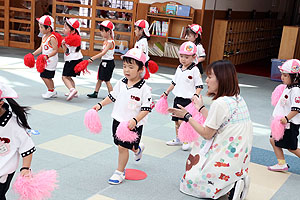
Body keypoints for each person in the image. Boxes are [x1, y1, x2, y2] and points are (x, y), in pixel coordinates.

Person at [168, 60, 253, 200]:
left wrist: (187, 116)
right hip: (239, 153)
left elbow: (207, 134)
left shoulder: (220, 103)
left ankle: (230, 188)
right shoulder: (237, 98)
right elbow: (218, 123)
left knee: (189, 182)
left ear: (221, 79)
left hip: (225, 151)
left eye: (210, 77)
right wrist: (201, 109)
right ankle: (236, 180)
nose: (206, 80)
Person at [92, 48, 152, 184]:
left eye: (131, 67)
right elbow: (112, 96)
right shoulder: (121, 83)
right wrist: (100, 105)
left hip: (133, 124)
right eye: (125, 66)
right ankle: (138, 149)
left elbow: (146, 109)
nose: (126, 70)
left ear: (141, 69)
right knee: (120, 144)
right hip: (118, 120)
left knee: (122, 147)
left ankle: (119, 172)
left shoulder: (144, 89)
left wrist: (135, 120)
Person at [162, 41, 203, 151]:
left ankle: (186, 140)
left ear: (194, 57)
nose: (183, 59)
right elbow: (174, 82)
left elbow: (199, 85)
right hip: (177, 99)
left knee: (183, 122)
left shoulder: (194, 70)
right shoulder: (179, 68)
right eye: (181, 56)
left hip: (188, 101)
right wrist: (166, 92)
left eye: (187, 57)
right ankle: (178, 139)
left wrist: (195, 95)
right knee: (176, 121)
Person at [0, 83, 35, 199]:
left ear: (1, 103)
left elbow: (27, 147)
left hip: (3, 172)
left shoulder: (14, 125)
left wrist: (25, 168)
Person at [268, 59, 300, 171]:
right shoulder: (288, 87)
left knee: (292, 148)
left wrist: (287, 118)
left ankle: (281, 164)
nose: (282, 77)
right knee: (273, 140)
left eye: (285, 75)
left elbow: (296, 108)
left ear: (295, 77)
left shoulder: (296, 90)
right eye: (282, 74)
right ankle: (281, 164)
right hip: (282, 123)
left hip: (289, 124)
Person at [32, 15, 60, 99]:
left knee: (45, 76)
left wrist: (47, 56)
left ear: (48, 28)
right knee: (47, 76)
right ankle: (52, 90)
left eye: (41, 27)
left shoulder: (52, 38)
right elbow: (41, 48)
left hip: (50, 60)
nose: (39, 29)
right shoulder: (44, 36)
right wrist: (33, 54)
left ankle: (50, 90)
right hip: (45, 60)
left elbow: (55, 50)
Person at [87, 20, 115, 98]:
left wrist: (92, 58)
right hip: (104, 62)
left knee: (107, 80)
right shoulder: (106, 41)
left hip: (108, 63)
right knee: (100, 78)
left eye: (102, 31)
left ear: (109, 31)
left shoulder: (110, 42)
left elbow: (103, 53)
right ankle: (95, 92)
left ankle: (112, 95)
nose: (101, 33)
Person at [61, 18, 83, 101]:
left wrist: (63, 42)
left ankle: (72, 90)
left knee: (64, 77)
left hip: (71, 60)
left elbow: (65, 50)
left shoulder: (71, 39)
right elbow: (66, 51)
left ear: (73, 31)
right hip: (76, 59)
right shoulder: (75, 37)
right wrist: (63, 43)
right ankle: (74, 91)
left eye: (66, 28)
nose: (64, 29)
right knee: (69, 77)